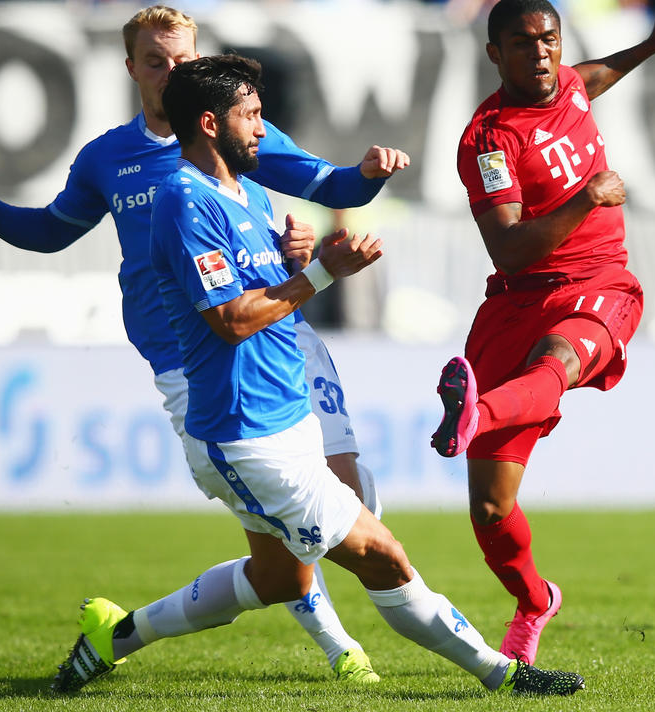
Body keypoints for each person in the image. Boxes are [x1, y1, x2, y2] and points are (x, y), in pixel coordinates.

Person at [49, 53, 586, 697]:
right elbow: (230, 320)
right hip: (247, 436)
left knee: (279, 579)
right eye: (250, 115)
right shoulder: (183, 201)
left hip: (287, 413)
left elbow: (264, 292)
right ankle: (505, 675)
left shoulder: (244, 194)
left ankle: (117, 636)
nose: (261, 127)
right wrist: (324, 273)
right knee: (384, 556)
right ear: (211, 123)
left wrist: (293, 260)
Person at [0, 4, 409, 684]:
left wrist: (367, 175)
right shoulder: (108, 157)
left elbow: (326, 184)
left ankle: (126, 633)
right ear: (131, 68)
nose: (170, 72)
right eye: (155, 61)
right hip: (191, 358)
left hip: (278, 329)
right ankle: (342, 648)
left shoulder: (240, 127)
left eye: (182, 59)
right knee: (291, 526)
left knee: (350, 491)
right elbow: (51, 232)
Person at [431, 0, 655, 665]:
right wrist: (587, 196)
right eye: (524, 43)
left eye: (550, 39)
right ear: (495, 54)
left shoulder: (570, 83)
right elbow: (510, 248)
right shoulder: (488, 142)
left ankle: (475, 413)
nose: (542, 54)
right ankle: (535, 599)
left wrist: (652, 46)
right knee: (490, 509)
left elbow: (592, 77)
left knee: (555, 364)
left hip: (600, 286)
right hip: (519, 294)